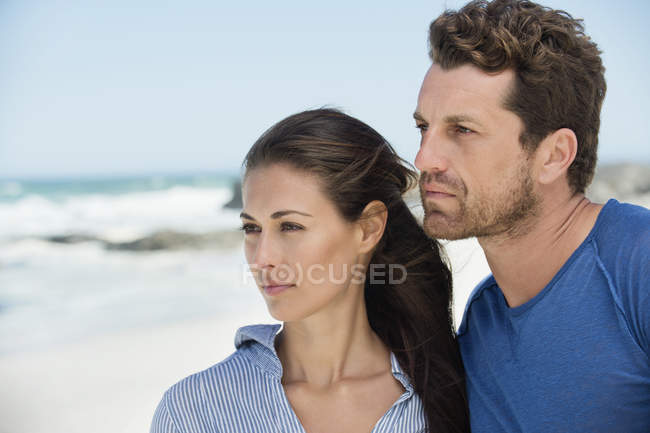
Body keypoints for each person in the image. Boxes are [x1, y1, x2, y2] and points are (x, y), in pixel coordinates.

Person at [150, 109, 469, 433]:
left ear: (368, 229)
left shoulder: (448, 399)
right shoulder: (194, 412)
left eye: (290, 226)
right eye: (251, 228)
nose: (263, 258)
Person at [413, 0, 650, 431]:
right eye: (423, 128)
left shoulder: (638, 266)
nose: (425, 158)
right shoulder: (481, 322)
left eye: (462, 130)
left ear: (553, 156)